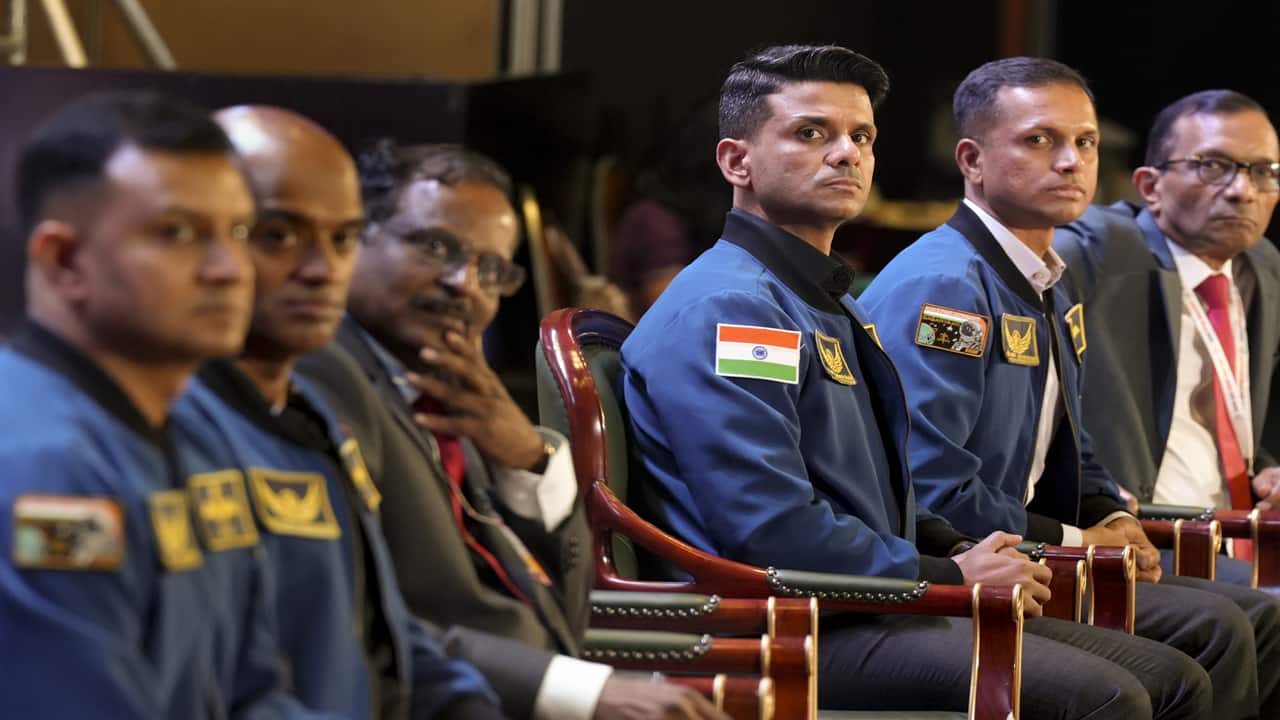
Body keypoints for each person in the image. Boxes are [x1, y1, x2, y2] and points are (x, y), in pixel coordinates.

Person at [620, 43, 1210, 718]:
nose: (846, 153)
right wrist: (947, 573)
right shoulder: (735, 309)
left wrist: (955, 545)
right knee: (1115, 695)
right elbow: (772, 527)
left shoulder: (817, 295)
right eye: (811, 133)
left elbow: (879, 494)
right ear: (736, 162)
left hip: (863, 603)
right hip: (788, 624)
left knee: (1172, 678)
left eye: (860, 136)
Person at [859, 58, 1280, 720]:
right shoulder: (949, 289)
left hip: (1033, 548)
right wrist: (1081, 541)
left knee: (1252, 617)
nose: (1071, 161)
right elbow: (935, 489)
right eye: (1039, 140)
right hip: (966, 562)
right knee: (1216, 635)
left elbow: (1073, 445)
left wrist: (1108, 513)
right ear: (971, 158)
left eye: (1083, 142)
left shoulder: (1044, 276)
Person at [295, 141, 726, 719]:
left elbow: (562, 622)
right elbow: (371, 622)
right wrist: (580, 692)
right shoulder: (320, 378)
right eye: (435, 246)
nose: (464, 283)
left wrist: (526, 461)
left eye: (490, 269)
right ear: (356, 237)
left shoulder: (450, 381)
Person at [169, 106, 507, 719]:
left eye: (342, 238)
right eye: (276, 235)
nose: (323, 270)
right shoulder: (165, 429)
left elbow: (382, 631)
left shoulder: (310, 410)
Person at [0, 91, 324, 718]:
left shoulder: (199, 434)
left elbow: (251, 697)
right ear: (64, 260)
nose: (230, 269)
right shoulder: (42, 466)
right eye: (177, 233)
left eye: (238, 232)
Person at [1055, 90, 1280, 589]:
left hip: (1241, 532)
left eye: (1263, 170)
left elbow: (1217, 413)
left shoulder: (1261, 266)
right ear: (1149, 186)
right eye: (1213, 166)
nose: (1243, 190)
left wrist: (1265, 469)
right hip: (1150, 540)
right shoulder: (1095, 252)